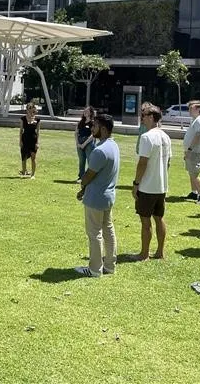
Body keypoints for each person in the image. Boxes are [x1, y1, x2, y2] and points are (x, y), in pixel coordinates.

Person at [74, 114, 119, 278]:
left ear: (104, 129)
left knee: (95, 234)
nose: (92, 129)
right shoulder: (114, 145)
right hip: (108, 196)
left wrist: (82, 186)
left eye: (95, 126)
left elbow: (88, 175)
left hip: (96, 198)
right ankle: (110, 265)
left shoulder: (99, 151)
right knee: (108, 231)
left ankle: (94, 269)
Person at [131, 104, 172, 261]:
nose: (142, 117)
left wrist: (136, 184)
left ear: (151, 117)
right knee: (159, 218)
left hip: (147, 187)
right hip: (161, 186)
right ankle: (160, 252)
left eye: (144, 115)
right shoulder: (166, 137)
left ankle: (144, 254)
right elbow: (168, 162)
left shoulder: (147, 137)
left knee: (145, 220)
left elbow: (143, 162)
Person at [183, 100, 200, 204]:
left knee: (194, 174)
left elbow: (198, 136)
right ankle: (194, 193)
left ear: (198, 109)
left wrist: (189, 150)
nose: (189, 110)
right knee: (191, 172)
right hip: (191, 151)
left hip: (195, 152)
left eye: (191, 108)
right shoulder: (195, 120)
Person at [19, 102, 41, 178]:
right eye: (29, 110)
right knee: (24, 157)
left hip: (33, 140)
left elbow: (38, 132)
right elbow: (21, 131)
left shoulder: (37, 120)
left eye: (32, 110)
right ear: (27, 110)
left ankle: (33, 174)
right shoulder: (23, 119)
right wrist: (20, 141)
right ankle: (24, 172)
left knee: (33, 157)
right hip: (25, 139)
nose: (31, 112)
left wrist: (37, 143)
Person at [75, 106, 96, 182]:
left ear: (90, 113)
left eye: (87, 111)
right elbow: (76, 133)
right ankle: (81, 177)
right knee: (81, 161)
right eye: (84, 111)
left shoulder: (93, 122)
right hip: (79, 143)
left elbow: (93, 135)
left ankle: (90, 177)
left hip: (88, 144)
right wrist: (77, 143)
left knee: (90, 161)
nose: (85, 112)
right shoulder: (80, 122)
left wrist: (84, 144)